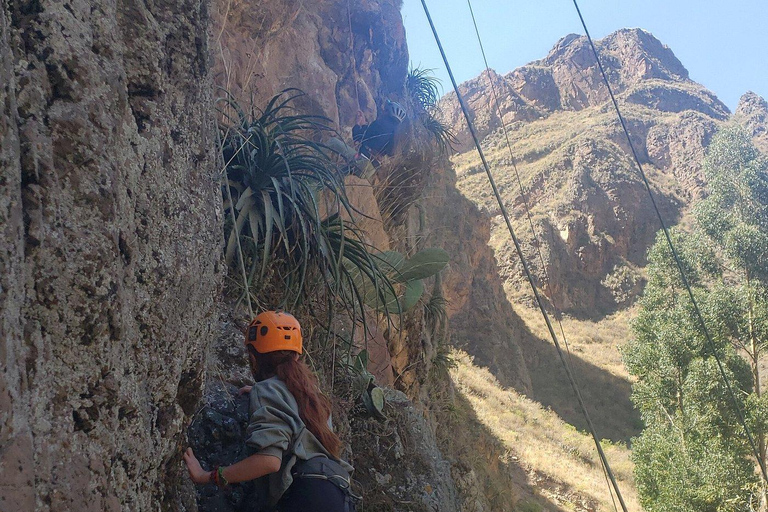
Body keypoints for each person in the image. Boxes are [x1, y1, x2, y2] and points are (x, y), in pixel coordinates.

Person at [183, 311, 357, 511]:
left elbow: (269, 461)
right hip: (339, 494)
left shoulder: (267, 390)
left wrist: (207, 476)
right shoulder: (313, 395)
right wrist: (265, 395)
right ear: (297, 355)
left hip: (307, 497)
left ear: (253, 359)